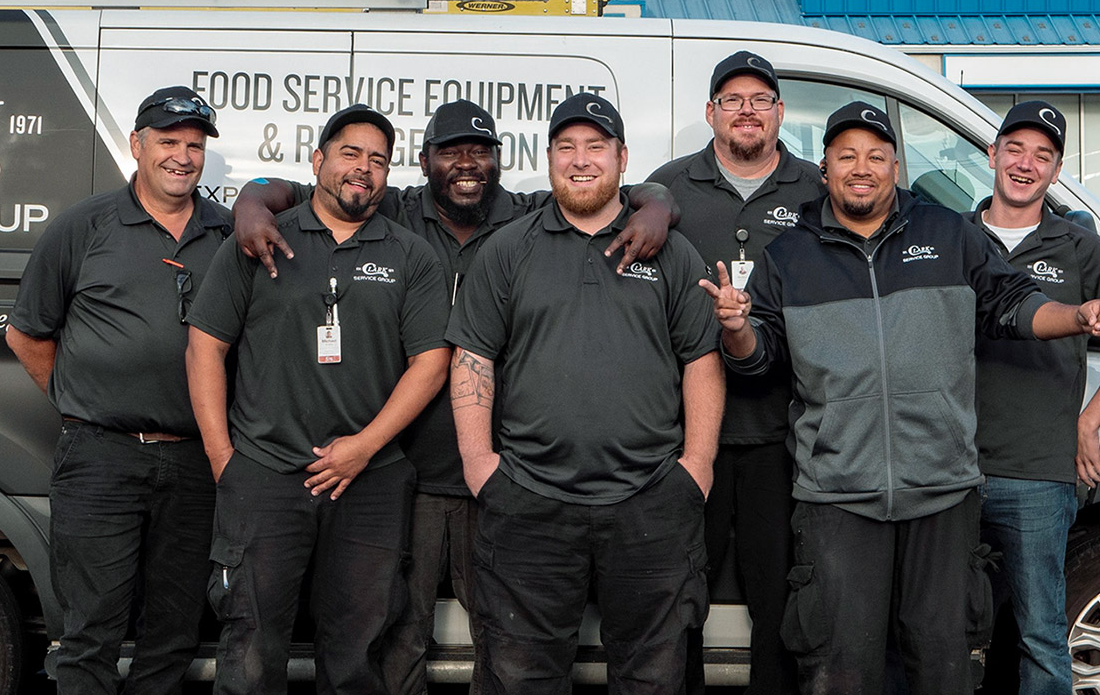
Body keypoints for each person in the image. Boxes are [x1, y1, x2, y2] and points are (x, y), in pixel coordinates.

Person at [230, 98, 675, 694]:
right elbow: (282, 186)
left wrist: (659, 208)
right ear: (424, 160)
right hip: (408, 470)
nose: (467, 163)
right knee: (396, 633)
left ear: (500, 159)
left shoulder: (529, 213)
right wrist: (249, 201)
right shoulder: (393, 206)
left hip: (498, 472)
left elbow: (629, 191)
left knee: (502, 637)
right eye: (450, 151)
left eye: (481, 151)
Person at [702, 102, 1100, 695]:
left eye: (876, 156)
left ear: (895, 166)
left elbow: (1011, 305)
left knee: (942, 669)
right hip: (837, 496)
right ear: (825, 167)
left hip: (941, 492)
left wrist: (1075, 316)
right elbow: (761, 359)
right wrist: (736, 328)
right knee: (843, 670)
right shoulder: (789, 256)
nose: (862, 168)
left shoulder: (948, 235)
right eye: (847, 156)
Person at [446, 92, 724, 694]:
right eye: (566, 147)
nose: (580, 160)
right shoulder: (507, 250)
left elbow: (701, 361)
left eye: (596, 147)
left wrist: (695, 468)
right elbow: (474, 358)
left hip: (651, 500)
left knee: (654, 678)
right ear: (547, 158)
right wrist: (479, 466)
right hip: (528, 503)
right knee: (520, 679)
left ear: (623, 158)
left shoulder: (671, 252)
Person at [185, 104, 452, 695]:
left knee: (357, 652)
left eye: (378, 160)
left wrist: (363, 447)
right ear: (317, 161)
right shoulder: (260, 239)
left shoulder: (412, 256)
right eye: (350, 153)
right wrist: (223, 461)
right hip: (265, 474)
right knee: (252, 650)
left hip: (371, 482)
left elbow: (430, 363)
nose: (364, 169)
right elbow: (205, 347)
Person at [5, 86, 225, 695]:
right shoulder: (84, 225)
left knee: (174, 635)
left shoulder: (230, 236)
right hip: (101, 458)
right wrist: (87, 404)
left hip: (195, 462)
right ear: (136, 145)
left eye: (194, 145)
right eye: (167, 142)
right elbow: (26, 334)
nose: (182, 156)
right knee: (90, 635)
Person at [647, 50, 822, 695]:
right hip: (686, 436)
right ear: (710, 113)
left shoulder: (814, 190)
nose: (746, 110)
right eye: (732, 99)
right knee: (681, 594)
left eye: (759, 100)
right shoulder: (667, 189)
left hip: (784, 433)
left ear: (779, 113)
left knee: (777, 604)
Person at [969, 101, 1100, 693]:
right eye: (1016, 150)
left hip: (1038, 473)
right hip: (945, 467)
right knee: (937, 627)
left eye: (1042, 156)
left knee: (1040, 634)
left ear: (1056, 171)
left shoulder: (1077, 248)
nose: (1026, 165)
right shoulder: (949, 237)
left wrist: (1091, 420)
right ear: (991, 154)